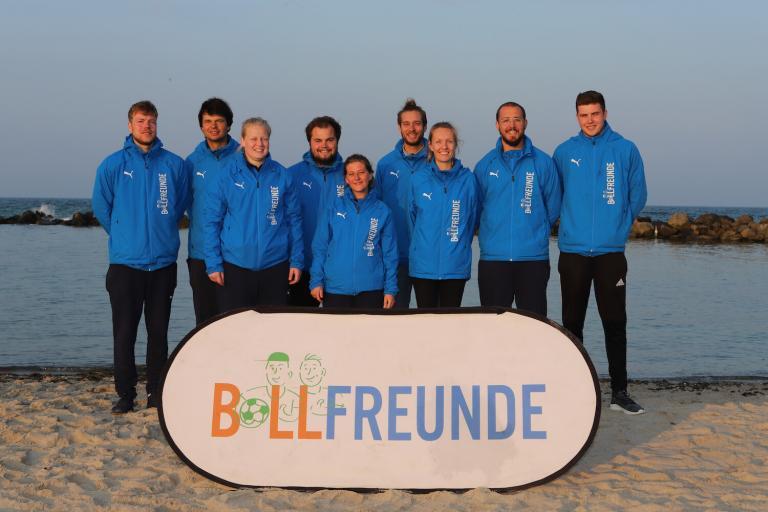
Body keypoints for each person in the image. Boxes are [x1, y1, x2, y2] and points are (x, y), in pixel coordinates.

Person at [553, 90, 648, 415]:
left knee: (614, 322)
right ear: (577, 117)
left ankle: (619, 392)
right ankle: (571, 388)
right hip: (574, 251)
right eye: (583, 115)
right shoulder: (565, 152)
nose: (589, 120)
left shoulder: (625, 149)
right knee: (572, 322)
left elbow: (638, 193)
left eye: (594, 114)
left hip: (610, 253)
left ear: (605, 113)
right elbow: (555, 196)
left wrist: (618, 228)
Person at [92, 100, 190, 414]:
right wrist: (123, 234)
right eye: (140, 121)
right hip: (125, 266)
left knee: (158, 332)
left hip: (162, 265)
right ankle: (125, 394)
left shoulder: (173, 165)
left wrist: (161, 232)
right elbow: (101, 208)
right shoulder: (112, 165)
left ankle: (155, 393)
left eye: (151, 121)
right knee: (124, 334)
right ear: (130, 125)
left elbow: (179, 205)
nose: (146, 126)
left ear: (156, 124)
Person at [204, 118, 303, 311]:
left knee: (272, 331)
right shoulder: (226, 176)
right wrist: (213, 264)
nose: (259, 144)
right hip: (235, 266)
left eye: (264, 139)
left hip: (275, 266)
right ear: (242, 140)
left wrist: (297, 261)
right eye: (253, 139)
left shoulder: (282, 176)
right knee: (236, 332)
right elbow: (211, 223)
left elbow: (294, 221)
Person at [474, 102, 561, 316]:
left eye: (517, 119)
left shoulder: (543, 162)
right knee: (492, 328)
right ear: (497, 125)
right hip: (494, 260)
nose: (511, 125)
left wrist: (534, 230)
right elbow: (476, 210)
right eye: (506, 120)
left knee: (534, 327)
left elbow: (553, 206)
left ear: (525, 123)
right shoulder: (485, 165)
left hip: (532, 260)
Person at [310, 154, 398, 309]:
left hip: (371, 289)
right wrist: (316, 281)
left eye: (361, 172)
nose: (357, 178)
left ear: (370, 175)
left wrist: (390, 289)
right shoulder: (333, 208)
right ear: (346, 179)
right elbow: (320, 247)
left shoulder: (383, 211)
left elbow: (390, 254)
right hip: (336, 289)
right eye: (351, 174)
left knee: (368, 334)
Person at [408, 122, 479, 308]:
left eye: (449, 141)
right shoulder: (418, 179)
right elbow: (412, 217)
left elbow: (472, 219)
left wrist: (457, 243)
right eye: (438, 141)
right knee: (426, 323)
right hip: (423, 267)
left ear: (456, 144)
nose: (444, 147)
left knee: (451, 326)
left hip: (455, 266)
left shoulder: (468, 180)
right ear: (430, 145)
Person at [184, 98, 240, 325]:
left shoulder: (243, 157)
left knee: (234, 319)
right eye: (208, 121)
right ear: (201, 126)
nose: (213, 126)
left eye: (219, 121)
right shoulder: (191, 162)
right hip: (201, 254)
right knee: (205, 322)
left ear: (229, 124)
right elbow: (184, 203)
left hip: (236, 254)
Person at [376, 99, 430, 308]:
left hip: (428, 258)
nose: (412, 128)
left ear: (424, 126)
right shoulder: (385, 164)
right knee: (395, 321)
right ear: (399, 127)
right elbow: (377, 210)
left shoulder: (436, 162)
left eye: (417, 123)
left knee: (434, 320)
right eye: (406, 124)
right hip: (395, 257)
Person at [287, 116, 345, 307]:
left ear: (337, 140)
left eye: (330, 139)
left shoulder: (352, 175)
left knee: (341, 331)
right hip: (302, 268)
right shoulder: (292, 175)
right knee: (299, 331)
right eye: (318, 140)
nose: (324, 145)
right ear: (309, 142)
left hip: (339, 268)